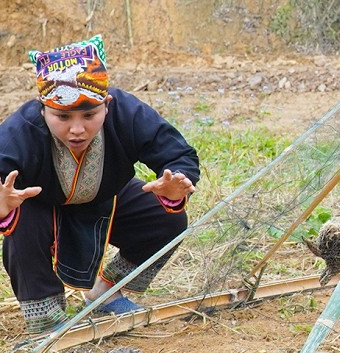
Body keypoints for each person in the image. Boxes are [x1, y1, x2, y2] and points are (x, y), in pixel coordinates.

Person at [0, 35, 199, 334]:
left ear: (106, 105)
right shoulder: (21, 130)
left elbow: (178, 154)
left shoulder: (126, 113)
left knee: (166, 217)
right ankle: (47, 321)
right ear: (42, 110)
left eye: (90, 115)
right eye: (62, 116)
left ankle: (105, 292)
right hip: (40, 207)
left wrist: (178, 181)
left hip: (106, 197)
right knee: (21, 226)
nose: (77, 129)